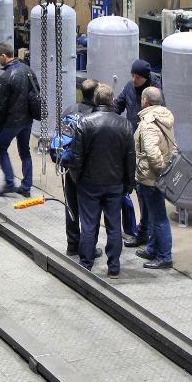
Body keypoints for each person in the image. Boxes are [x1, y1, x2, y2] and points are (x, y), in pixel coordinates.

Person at [68, 84, 135, 278]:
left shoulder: (84, 122)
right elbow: (130, 157)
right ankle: (114, 268)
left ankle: (86, 264)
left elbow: (76, 156)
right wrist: (128, 184)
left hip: (89, 183)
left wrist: (76, 178)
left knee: (89, 224)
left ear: (95, 100)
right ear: (112, 100)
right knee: (114, 225)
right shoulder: (124, 124)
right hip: (115, 184)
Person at [116, 59, 164, 248]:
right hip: (133, 145)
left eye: (138, 77)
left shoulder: (155, 94)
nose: (134, 79)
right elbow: (117, 105)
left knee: (147, 195)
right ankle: (144, 234)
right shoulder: (129, 87)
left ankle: (151, 239)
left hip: (148, 150)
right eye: (133, 75)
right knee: (139, 191)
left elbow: (160, 120)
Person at [133, 87, 176, 269]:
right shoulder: (165, 116)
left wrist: (160, 171)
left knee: (158, 218)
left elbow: (152, 152)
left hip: (151, 178)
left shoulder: (148, 123)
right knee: (151, 215)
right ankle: (152, 249)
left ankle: (165, 256)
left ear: (145, 101)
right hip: (156, 176)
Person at [0, 41, 36, 198]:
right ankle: (26, 187)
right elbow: (35, 92)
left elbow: (2, 105)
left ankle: (10, 182)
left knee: (1, 148)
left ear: (4, 56)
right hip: (27, 120)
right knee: (25, 151)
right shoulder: (27, 70)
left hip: (12, 121)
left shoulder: (5, 77)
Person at [61, 78, 99, 256]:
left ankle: (72, 245)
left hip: (70, 169)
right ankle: (88, 248)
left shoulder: (70, 110)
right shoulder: (96, 115)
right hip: (90, 171)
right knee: (90, 212)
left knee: (72, 207)